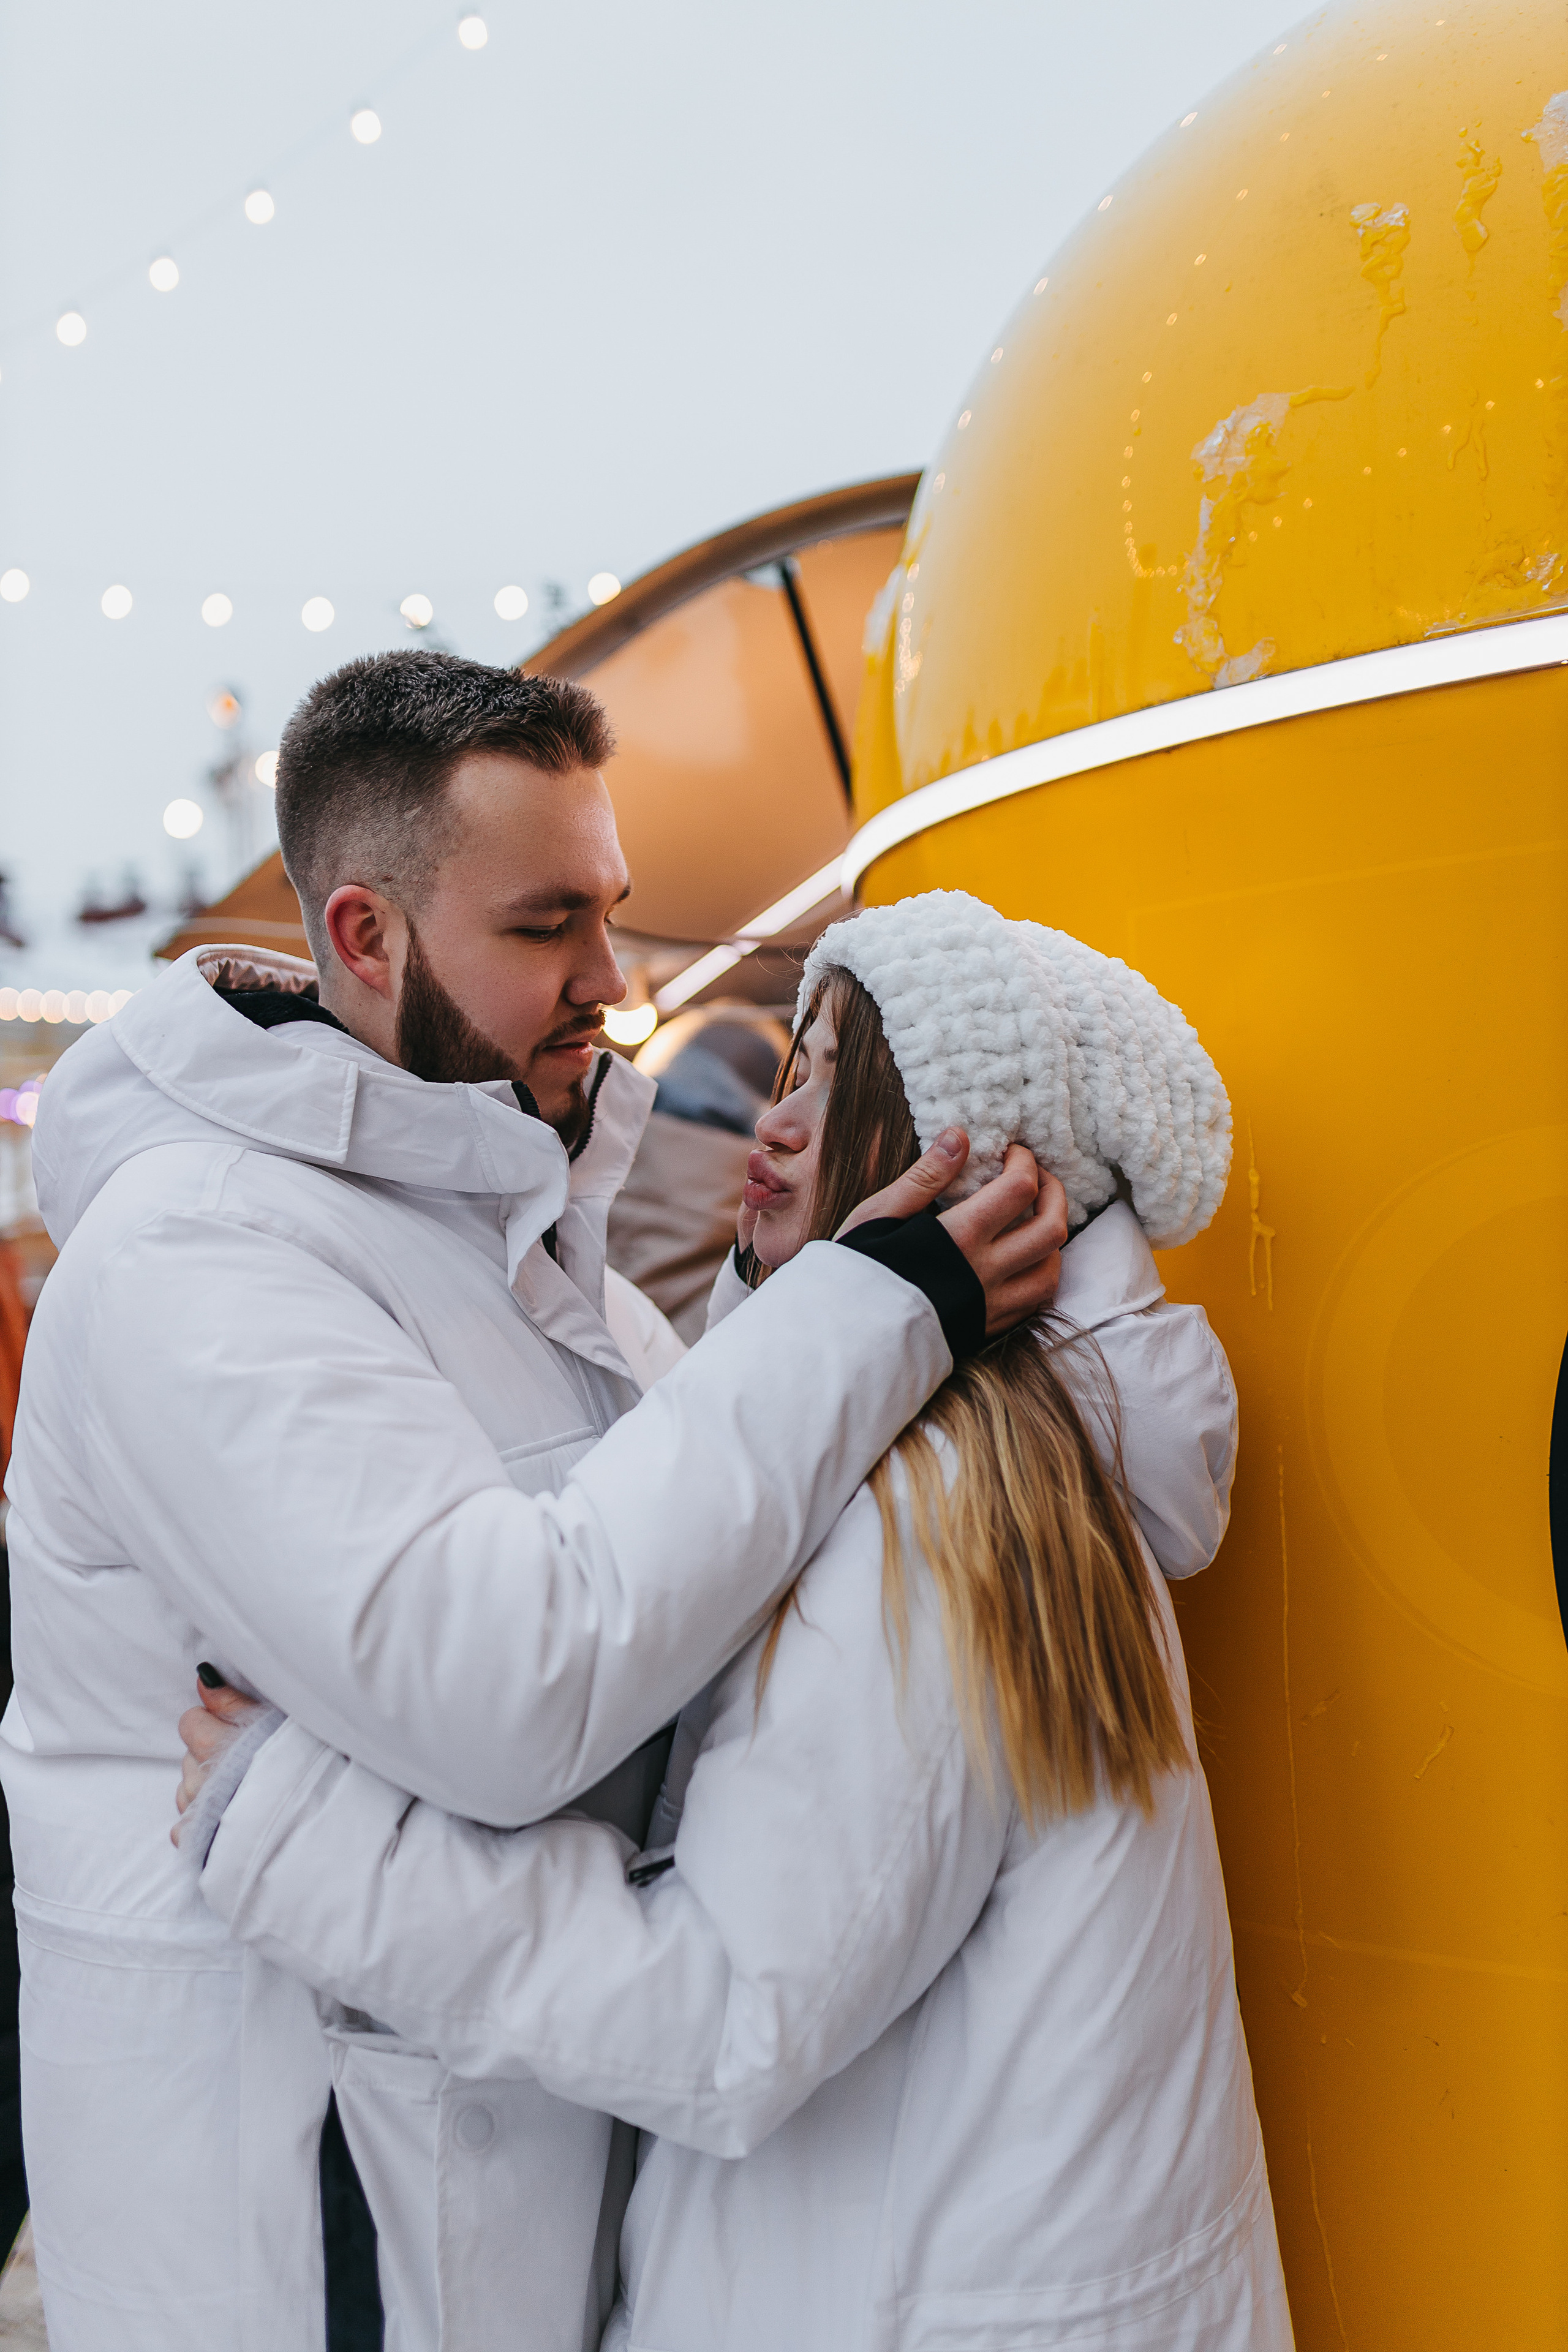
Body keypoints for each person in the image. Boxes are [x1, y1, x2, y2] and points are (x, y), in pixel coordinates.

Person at [0, 662, 1065, 2352]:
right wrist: (877, 1312)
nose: (609, 983)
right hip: (314, 2217)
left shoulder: (525, 1244)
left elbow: (661, 1626)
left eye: (612, 913)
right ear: (366, 938)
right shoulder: (196, 1256)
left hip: (502, 2188)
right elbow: (511, 1692)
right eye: (543, 925)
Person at [176, 891, 1291, 2351]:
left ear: (954, 1173)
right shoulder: (1014, 1471)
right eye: (787, 1070)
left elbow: (726, 2017)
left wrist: (301, 1840)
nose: (776, 1122)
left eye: (839, 1087)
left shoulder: (919, 1516)